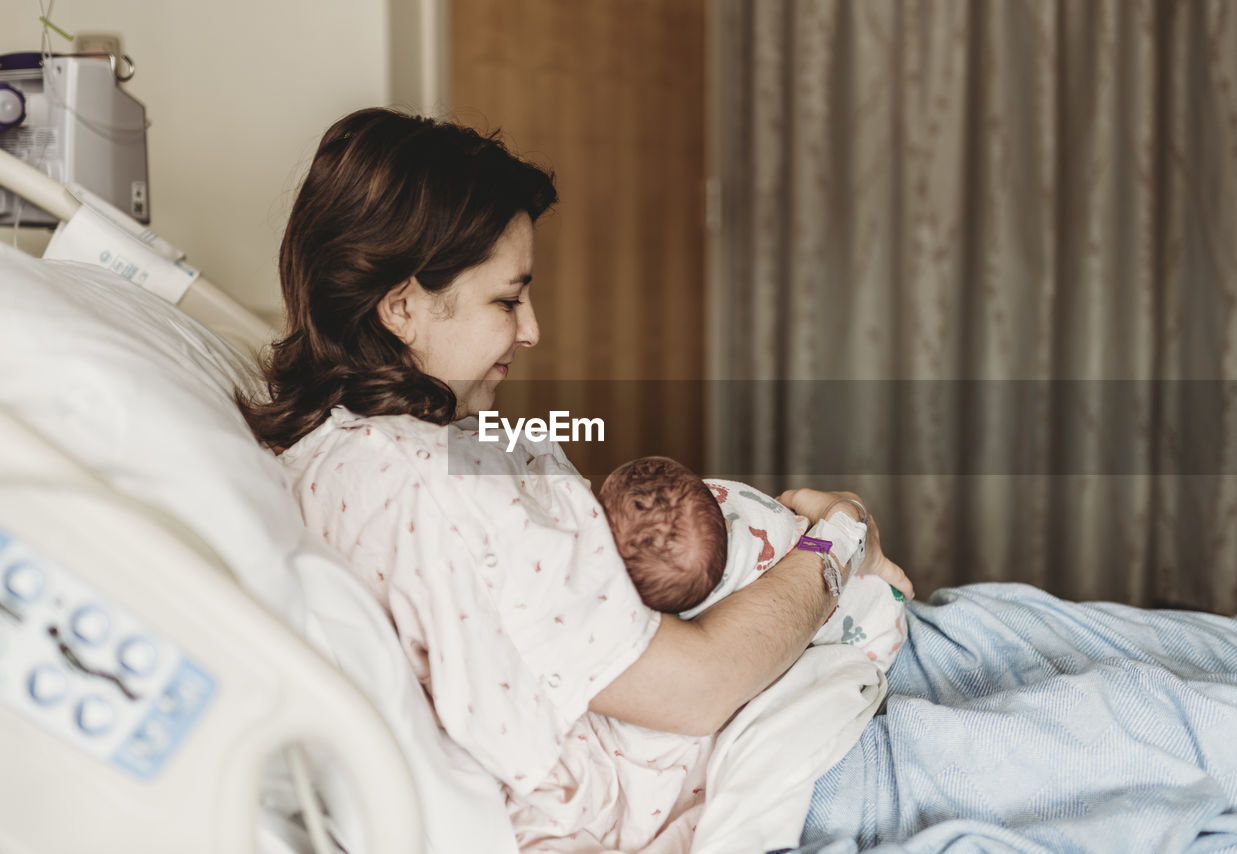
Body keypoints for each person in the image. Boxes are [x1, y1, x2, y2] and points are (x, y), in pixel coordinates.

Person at [239, 107, 914, 852]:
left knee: (1038, 636)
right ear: (402, 305)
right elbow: (698, 688)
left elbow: (601, 506)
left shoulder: (436, 437)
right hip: (790, 746)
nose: (532, 331)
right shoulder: (430, 482)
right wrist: (839, 535)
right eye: (507, 299)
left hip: (795, 666)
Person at [600, 455, 907, 670]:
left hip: (874, 630)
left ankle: (879, 565)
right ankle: (881, 566)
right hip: (875, 625)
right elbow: (821, 509)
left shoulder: (686, 600)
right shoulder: (712, 507)